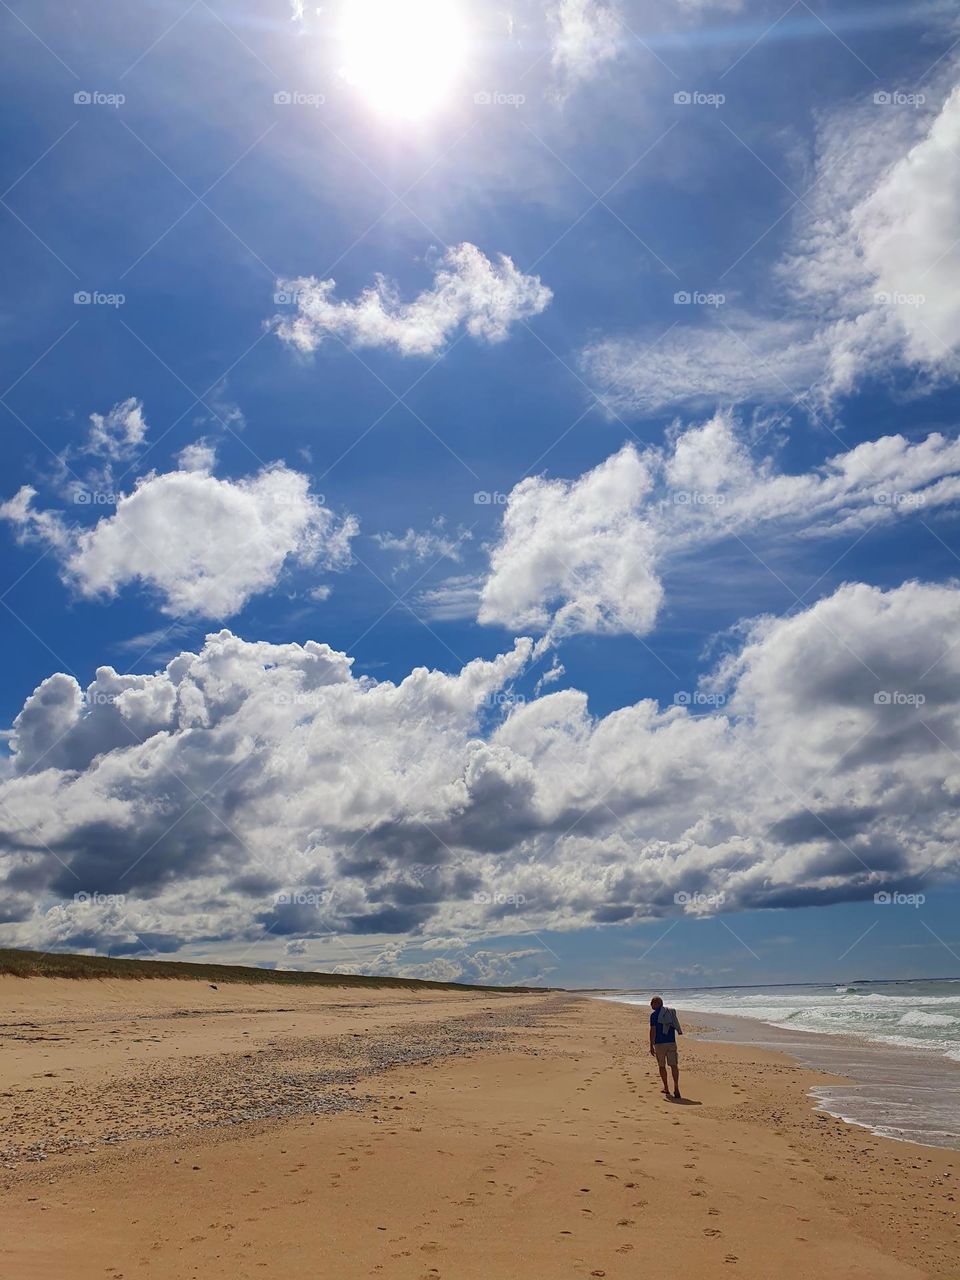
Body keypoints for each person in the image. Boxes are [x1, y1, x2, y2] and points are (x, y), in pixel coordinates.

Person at [649, 995, 682, 1099]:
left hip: (659, 1044)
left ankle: (666, 1087)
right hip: (671, 1042)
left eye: (652, 1003)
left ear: (657, 1004)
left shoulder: (654, 1015)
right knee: (674, 1065)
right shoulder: (670, 1013)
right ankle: (676, 1087)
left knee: (662, 1066)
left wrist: (651, 1044)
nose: (651, 1005)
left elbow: (653, 1030)